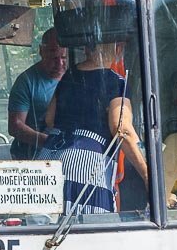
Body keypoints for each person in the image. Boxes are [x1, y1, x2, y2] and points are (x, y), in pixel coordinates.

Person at [40, 39, 148, 214]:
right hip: (86, 168)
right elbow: (122, 130)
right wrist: (147, 175)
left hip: (49, 160)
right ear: (117, 48)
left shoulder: (69, 76)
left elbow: (50, 119)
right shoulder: (116, 82)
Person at [7, 28, 67, 159]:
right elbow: (15, 125)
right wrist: (48, 142)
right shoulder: (27, 82)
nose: (59, 64)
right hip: (31, 158)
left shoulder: (75, 78)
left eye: (64, 57)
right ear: (41, 51)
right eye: (54, 58)